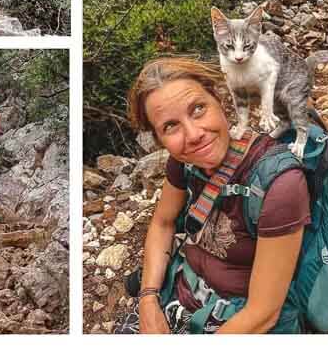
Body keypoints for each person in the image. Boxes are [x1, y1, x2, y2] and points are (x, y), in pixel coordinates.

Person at [114, 57, 310, 335]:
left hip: (239, 316)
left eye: (198, 109)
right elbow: (163, 222)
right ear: (159, 140)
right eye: (170, 126)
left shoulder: (279, 183)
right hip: (181, 293)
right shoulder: (184, 162)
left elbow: (263, 313)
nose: (193, 135)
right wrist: (148, 298)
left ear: (219, 100)